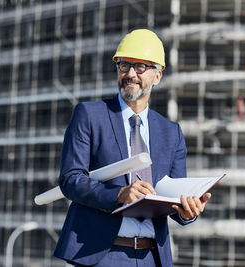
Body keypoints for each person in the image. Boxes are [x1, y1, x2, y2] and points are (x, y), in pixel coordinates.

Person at [54, 29, 211, 267]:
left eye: (140, 67)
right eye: (124, 65)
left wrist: (187, 211)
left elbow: (174, 195)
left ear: (157, 76)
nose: (130, 74)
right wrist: (118, 195)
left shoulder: (171, 132)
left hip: (152, 257)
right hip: (101, 254)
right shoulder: (89, 115)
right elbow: (70, 180)